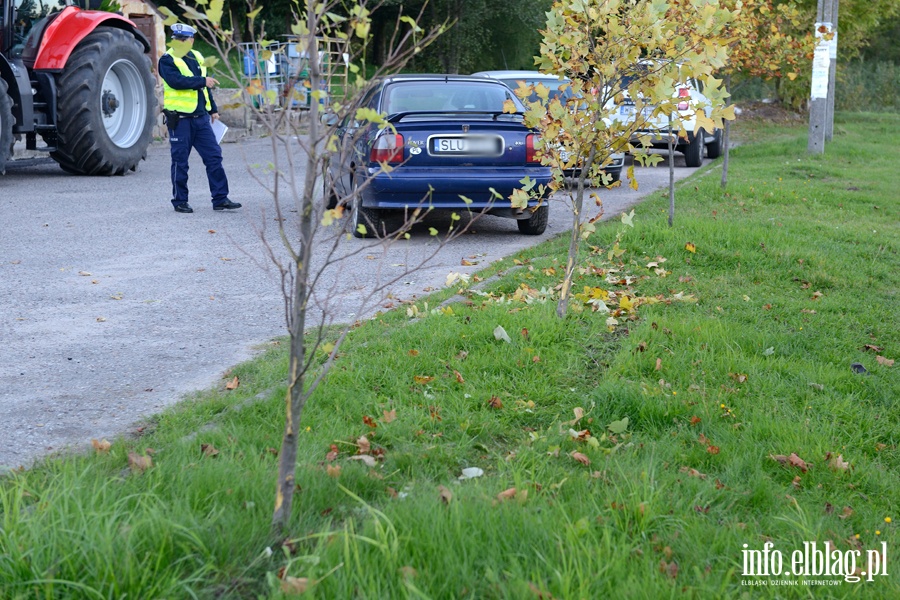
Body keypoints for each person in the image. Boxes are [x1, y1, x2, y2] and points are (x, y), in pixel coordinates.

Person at [159, 23, 241, 213]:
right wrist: (202, 81)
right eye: (179, 39)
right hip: (180, 120)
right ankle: (180, 201)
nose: (182, 42)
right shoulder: (167, 59)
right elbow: (176, 82)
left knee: (214, 157)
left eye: (184, 39)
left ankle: (220, 198)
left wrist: (212, 109)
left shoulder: (197, 56)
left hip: (201, 119)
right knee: (180, 161)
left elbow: (205, 88)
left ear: (190, 41)